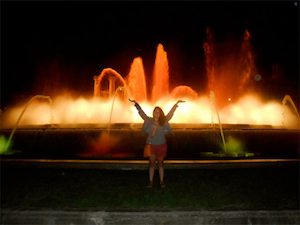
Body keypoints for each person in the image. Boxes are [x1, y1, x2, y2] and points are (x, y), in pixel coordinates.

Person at [129, 99, 185, 188]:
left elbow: (170, 114)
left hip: (161, 145)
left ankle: (162, 181)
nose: (156, 114)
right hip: (151, 146)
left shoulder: (163, 121)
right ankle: (151, 182)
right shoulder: (149, 120)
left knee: (160, 164)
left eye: (158, 112)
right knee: (151, 164)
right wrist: (136, 104)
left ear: (160, 113)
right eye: (155, 112)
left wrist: (176, 105)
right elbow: (142, 114)